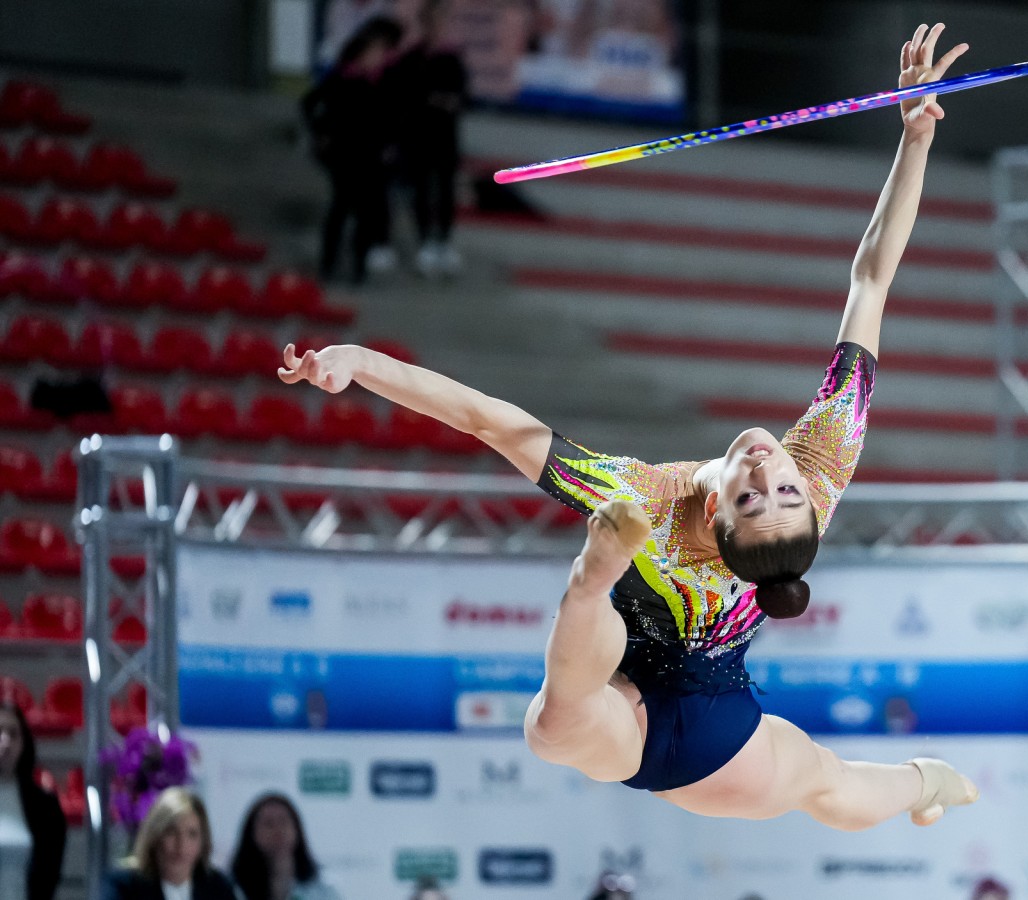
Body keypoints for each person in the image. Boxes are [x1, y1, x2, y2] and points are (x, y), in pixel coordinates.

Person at [278, 24, 979, 830]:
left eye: (754, 498)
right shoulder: (819, 464)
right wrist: (915, 137)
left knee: (810, 780)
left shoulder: (642, 498)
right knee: (574, 732)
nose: (766, 470)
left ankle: (917, 779)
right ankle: (924, 779)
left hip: (709, 732)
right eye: (783, 489)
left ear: (717, 513)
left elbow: (488, 422)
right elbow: (872, 280)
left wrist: (361, 362)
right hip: (633, 703)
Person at [302, 17, 404, 285]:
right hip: (345, 156)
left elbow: (391, 119)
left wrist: (390, 145)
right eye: (375, 52)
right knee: (341, 209)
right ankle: (329, 263)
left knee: (366, 213)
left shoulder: (381, 82)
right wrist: (321, 134)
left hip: (371, 158)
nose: (379, 57)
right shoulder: (342, 78)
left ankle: (359, 265)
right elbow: (311, 103)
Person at [390, 0, 468, 277]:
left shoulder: (453, 59)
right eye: (434, 21)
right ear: (425, 23)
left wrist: (441, 101)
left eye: (442, 21)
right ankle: (424, 242)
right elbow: (406, 97)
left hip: (445, 138)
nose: (438, 26)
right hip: (418, 138)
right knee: (421, 190)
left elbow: (461, 98)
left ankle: (443, 242)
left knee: (445, 191)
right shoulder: (412, 58)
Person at [102, 787, 241, 900]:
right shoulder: (124, 886)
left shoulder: (219, 887)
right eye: (171, 832)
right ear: (155, 836)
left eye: (192, 834)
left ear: (203, 841)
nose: (181, 845)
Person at [0, 701, 65, 900]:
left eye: (13, 734)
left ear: (24, 742)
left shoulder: (45, 806)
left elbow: (49, 876)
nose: (5, 742)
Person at [229, 793, 339, 900]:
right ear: (251, 834)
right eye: (269, 823)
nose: (278, 830)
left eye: (283, 821)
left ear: (297, 829)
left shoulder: (323, 891)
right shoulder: (233, 890)